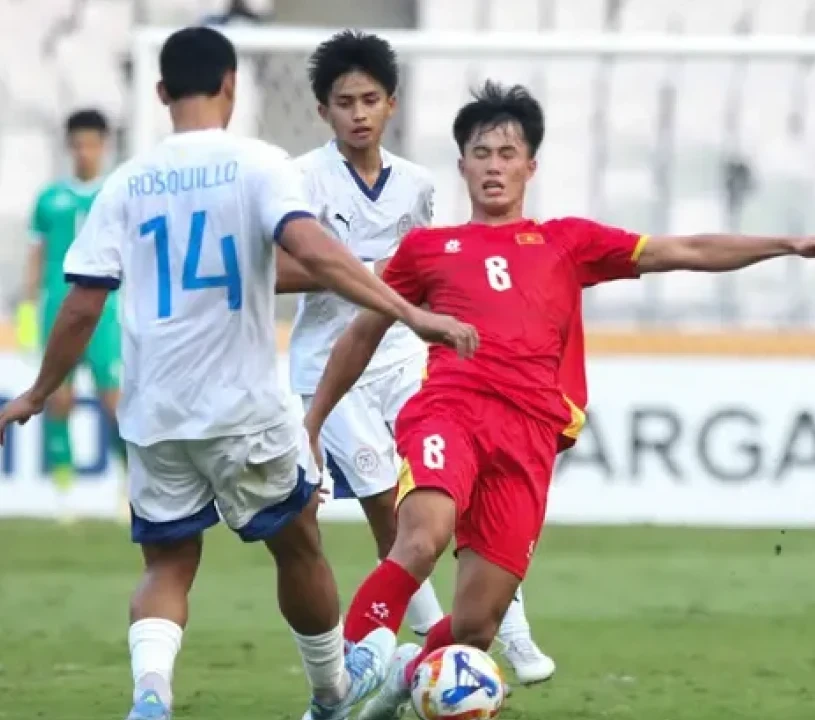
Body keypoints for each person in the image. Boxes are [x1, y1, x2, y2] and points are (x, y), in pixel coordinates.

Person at [300, 81, 815, 720]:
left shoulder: (567, 242)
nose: (494, 166)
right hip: (450, 410)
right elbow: (361, 334)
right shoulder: (426, 249)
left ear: (530, 167)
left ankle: (401, 675)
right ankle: (343, 679)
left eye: (508, 154)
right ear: (462, 166)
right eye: (481, 154)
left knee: (475, 628)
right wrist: (313, 422)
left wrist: (787, 244)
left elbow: (684, 250)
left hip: (529, 437)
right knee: (422, 537)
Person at [0, 26, 477, 720]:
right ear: (231, 84)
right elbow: (314, 249)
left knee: (167, 563)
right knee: (299, 543)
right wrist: (409, 310)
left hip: (155, 410)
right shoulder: (258, 163)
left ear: (161, 92)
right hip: (242, 407)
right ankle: (331, 690)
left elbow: (81, 304)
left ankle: (151, 694)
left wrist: (39, 392)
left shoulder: (126, 182)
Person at [280, 30, 555, 683]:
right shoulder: (300, 179)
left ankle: (509, 631)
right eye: (344, 102)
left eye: (370, 100)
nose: (359, 114)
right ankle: (426, 647)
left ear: (391, 104)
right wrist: (362, 274)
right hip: (330, 362)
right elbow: (271, 272)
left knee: (452, 490)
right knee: (385, 497)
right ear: (323, 110)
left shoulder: (417, 185)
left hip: (406, 356)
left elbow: (432, 269)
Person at [18, 108, 126, 520]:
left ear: (104, 146)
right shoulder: (49, 199)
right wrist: (27, 310)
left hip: (106, 313)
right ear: (69, 147)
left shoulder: (115, 193)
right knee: (57, 399)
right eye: (78, 145)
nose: (85, 153)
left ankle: (126, 483)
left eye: (91, 145)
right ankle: (64, 495)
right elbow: (35, 255)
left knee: (114, 402)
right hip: (56, 310)